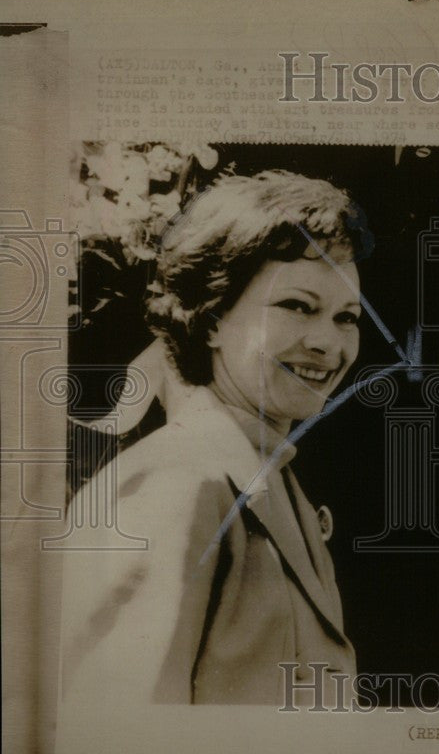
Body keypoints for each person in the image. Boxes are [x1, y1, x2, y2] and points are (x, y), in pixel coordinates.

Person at [59, 170, 370, 705]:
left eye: (347, 317)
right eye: (297, 306)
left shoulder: (265, 473)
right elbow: (123, 750)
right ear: (211, 319)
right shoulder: (175, 484)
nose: (328, 343)